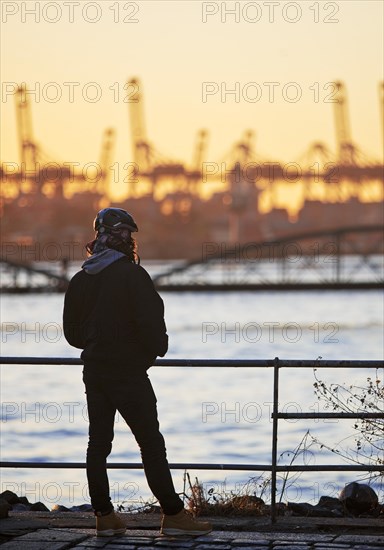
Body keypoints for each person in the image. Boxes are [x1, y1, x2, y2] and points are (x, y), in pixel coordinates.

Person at [63, 207, 212, 537]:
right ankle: (173, 515)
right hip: (128, 373)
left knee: (98, 444)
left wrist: (96, 343)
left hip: (94, 371)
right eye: (128, 235)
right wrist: (150, 353)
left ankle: (104, 516)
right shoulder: (133, 276)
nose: (131, 241)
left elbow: (72, 335)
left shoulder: (80, 280)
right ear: (121, 239)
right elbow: (153, 329)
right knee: (150, 444)